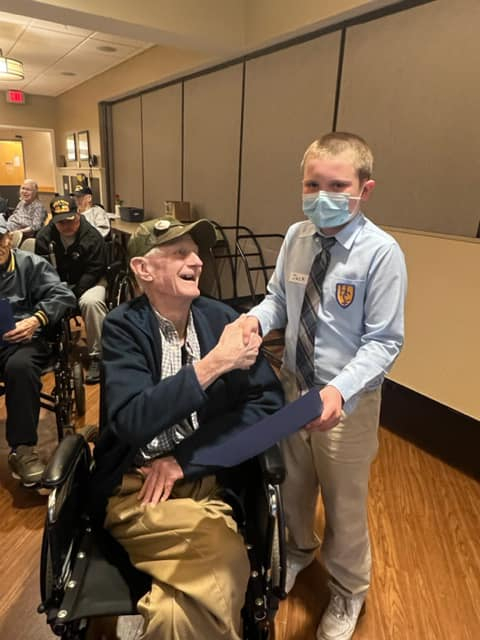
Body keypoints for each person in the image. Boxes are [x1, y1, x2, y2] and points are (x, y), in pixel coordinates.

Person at [242, 132, 407, 640]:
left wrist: (338, 392)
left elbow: (384, 342)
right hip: (293, 386)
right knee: (293, 485)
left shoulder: (381, 253)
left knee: (344, 504)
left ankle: (348, 589)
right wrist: (251, 321)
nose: (322, 196)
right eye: (313, 184)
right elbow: (277, 300)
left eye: (337, 185)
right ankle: (297, 550)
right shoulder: (297, 236)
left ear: (365, 189)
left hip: (347, 401)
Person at [91, 216, 284, 640]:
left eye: (197, 252)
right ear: (144, 269)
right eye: (180, 253)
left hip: (210, 484)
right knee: (226, 555)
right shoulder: (123, 327)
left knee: (174, 615)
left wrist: (185, 461)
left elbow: (270, 409)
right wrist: (215, 364)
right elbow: (132, 420)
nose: (196, 260)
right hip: (136, 488)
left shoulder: (222, 320)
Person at [0, 219, 76, 488]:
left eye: (0, 239)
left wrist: (36, 319)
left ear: (9, 239)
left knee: (20, 368)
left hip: (24, 341)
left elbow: (62, 294)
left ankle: (22, 450)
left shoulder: (30, 264)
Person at [35, 197, 107, 384]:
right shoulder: (44, 237)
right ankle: (48, 349)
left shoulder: (92, 236)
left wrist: (72, 295)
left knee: (91, 303)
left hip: (90, 281)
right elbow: (41, 269)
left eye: (70, 220)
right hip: (58, 283)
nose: (66, 225)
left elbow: (95, 270)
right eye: (60, 222)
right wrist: (57, 291)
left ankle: (97, 356)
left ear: (78, 214)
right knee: (39, 297)